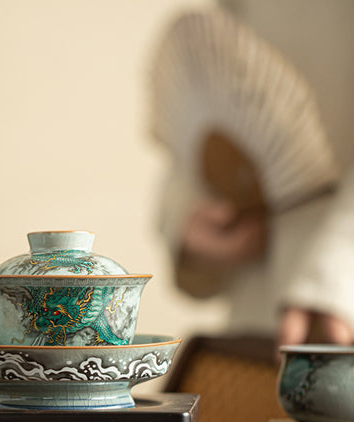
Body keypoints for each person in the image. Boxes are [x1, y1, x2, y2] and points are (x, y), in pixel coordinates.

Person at [152, 0, 354, 360]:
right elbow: (219, 68)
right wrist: (187, 213)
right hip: (256, 314)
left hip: (335, 313)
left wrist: (337, 274)